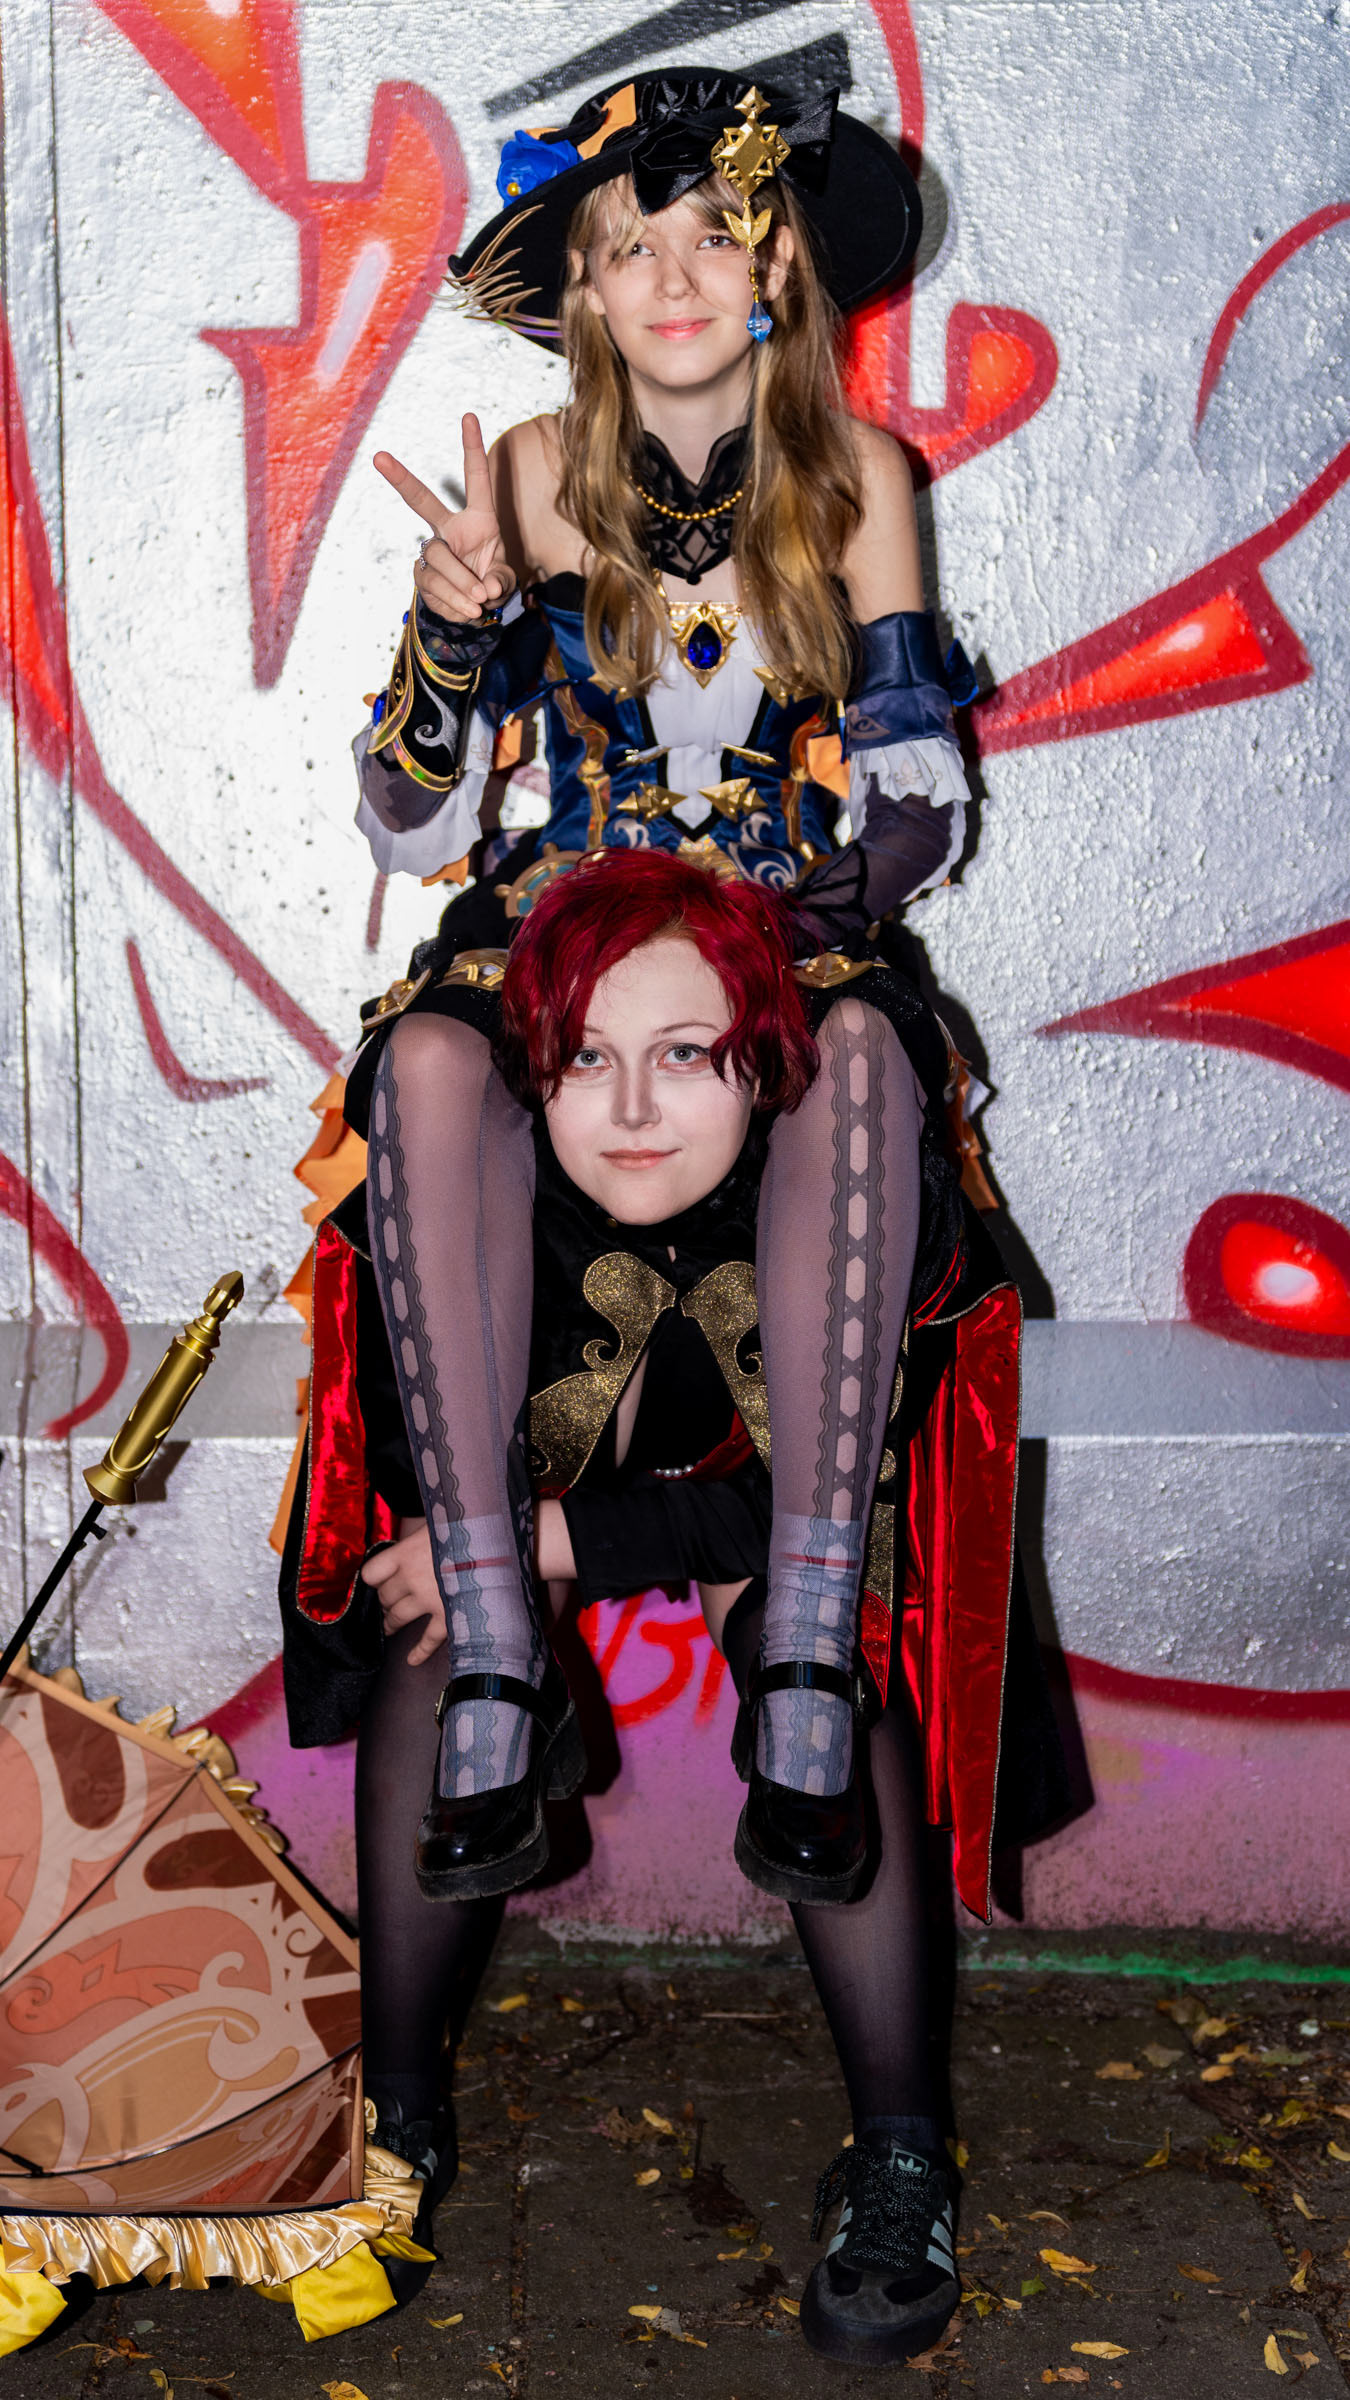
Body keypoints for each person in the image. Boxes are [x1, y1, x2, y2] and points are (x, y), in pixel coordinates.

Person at [279, 70, 1067, 2367]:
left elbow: (920, 818)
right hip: (549, 1061)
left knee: (861, 1070)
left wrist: (759, 922)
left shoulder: (865, 484)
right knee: (426, 1064)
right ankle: (397, 2108)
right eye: (629, 244)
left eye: (713, 233)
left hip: (775, 1027)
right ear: (582, 289)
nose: (676, 275)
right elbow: (415, 823)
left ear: (780, 265)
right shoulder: (522, 482)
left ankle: (816, 1694)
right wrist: (444, 625)